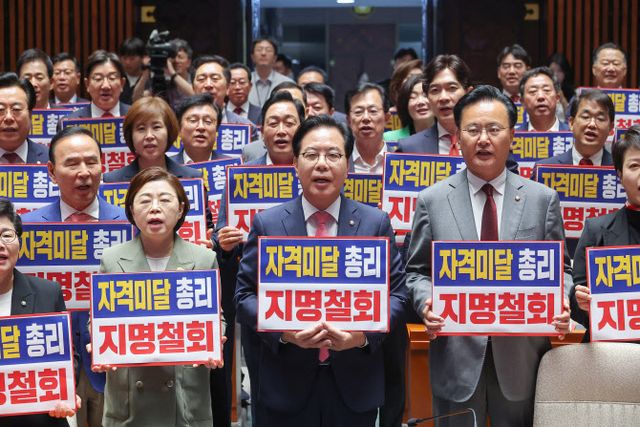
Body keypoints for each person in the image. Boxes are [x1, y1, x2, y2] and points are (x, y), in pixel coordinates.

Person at [405, 85, 572, 427]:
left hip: (521, 358)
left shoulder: (542, 200)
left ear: (512, 136)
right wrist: (426, 302)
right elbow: (416, 272)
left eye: (494, 129)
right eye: (473, 130)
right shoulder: (432, 200)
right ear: (458, 136)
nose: (483, 139)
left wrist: (562, 298)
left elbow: (561, 271)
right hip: (455, 357)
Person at [234, 114, 406, 426]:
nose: (322, 164)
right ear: (295, 164)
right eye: (311, 155)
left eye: (333, 155)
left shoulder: (375, 223)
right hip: (286, 384)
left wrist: (361, 337)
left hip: (355, 384)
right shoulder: (268, 224)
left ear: (348, 166)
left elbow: (398, 296)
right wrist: (285, 333)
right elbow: (244, 297)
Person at [95, 167, 221, 427]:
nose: (154, 208)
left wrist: (216, 337)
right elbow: (98, 318)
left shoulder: (204, 259)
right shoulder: (112, 259)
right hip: (131, 400)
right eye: (144, 201)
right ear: (131, 210)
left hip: (184, 398)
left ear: (180, 209)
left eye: (165, 200)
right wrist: (97, 342)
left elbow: (216, 316)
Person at [21, 126, 126, 427]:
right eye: (72, 163)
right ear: (52, 172)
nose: (84, 172)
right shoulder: (27, 229)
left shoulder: (129, 224)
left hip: (114, 364)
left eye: (91, 162)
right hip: (53, 365)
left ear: (103, 166)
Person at [216, 90, 305, 424]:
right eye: (273, 123)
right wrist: (224, 243)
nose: (281, 130)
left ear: (302, 127)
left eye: (289, 122)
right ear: (261, 130)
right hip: (259, 297)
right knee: (265, 391)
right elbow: (222, 231)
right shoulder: (242, 176)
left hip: (308, 292)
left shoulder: (315, 171)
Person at [0, 199, 79, 427]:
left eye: (6, 235)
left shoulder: (48, 292)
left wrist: (64, 390)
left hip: (39, 419)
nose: (0, 244)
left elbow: (68, 358)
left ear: (19, 242)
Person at [570, 124, 640, 341]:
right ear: (619, 175)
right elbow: (576, 303)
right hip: (614, 351)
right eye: (635, 165)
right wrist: (580, 302)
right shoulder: (596, 230)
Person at [102, 96, 201, 182]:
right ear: (130, 135)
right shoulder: (113, 180)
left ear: (169, 131)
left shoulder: (192, 177)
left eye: (156, 127)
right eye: (141, 129)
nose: (149, 136)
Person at [396, 54, 471, 155]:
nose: (443, 97)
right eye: (435, 90)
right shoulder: (409, 148)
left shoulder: (486, 142)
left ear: (468, 93)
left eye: (452, 88)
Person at [534, 89, 614, 167]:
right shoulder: (545, 169)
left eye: (600, 119)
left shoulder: (618, 170)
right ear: (571, 123)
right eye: (586, 117)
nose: (592, 124)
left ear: (610, 127)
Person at [191, 55, 258, 141]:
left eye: (215, 79)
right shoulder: (178, 126)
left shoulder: (247, 128)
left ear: (227, 88)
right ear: (193, 88)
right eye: (201, 79)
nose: (208, 85)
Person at [63, 50, 130, 120]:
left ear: (122, 83)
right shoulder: (70, 122)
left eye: (112, 78)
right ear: (87, 84)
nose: (105, 86)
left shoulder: (135, 117)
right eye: (98, 79)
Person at [131, 38, 195, 110]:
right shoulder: (161, 79)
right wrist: (146, 72)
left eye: (180, 57)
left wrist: (172, 73)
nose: (176, 61)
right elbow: (136, 99)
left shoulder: (194, 78)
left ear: (188, 62)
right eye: (172, 57)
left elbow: (195, 95)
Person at [0, 72, 49, 164]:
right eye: (1, 109)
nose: (8, 117)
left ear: (30, 114)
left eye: (16, 109)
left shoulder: (51, 159)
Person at [346, 83, 391, 174]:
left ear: (387, 118)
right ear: (348, 120)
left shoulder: (400, 159)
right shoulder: (339, 161)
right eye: (358, 112)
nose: (366, 118)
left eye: (373, 111)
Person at [173, 93, 225, 164]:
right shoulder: (166, 168)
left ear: (216, 130)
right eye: (193, 120)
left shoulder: (230, 167)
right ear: (179, 129)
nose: (201, 127)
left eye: (208, 121)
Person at [517, 66, 570, 131]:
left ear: (557, 98)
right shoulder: (513, 136)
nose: (540, 96)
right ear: (522, 102)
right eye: (533, 91)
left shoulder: (572, 134)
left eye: (546, 90)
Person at [384, 74, 434, 142]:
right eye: (412, 97)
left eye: (425, 95)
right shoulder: (389, 139)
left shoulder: (447, 136)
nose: (420, 102)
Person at [248, 37, 294, 107]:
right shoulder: (245, 82)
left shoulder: (286, 83)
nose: (263, 53)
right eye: (259, 50)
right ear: (252, 57)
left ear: (275, 58)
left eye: (268, 50)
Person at [118, 37, 146, 105]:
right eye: (124, 58)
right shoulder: (117, 78)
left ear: (142, 58)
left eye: (132, 59)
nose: (127, 62)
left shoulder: (149, 78)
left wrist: (145, 75)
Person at [547, 52, 574, 120]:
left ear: (565, 73)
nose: (555, 74)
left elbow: (572, 116)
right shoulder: (541, 91)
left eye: (559, 71)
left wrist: (562, 98)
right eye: (552, 71)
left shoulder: (571, 93)